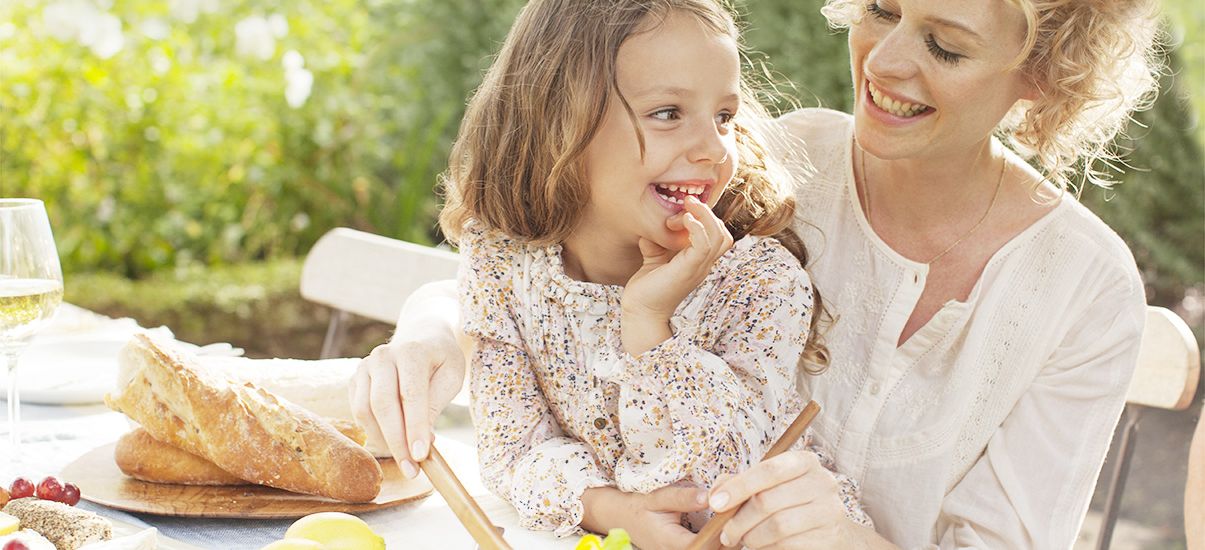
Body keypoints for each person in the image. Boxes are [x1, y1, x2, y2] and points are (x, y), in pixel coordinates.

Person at [351, 0, 1164, 548]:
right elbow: (565, 259)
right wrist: (433, 329)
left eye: (944, 45)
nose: (882, 60)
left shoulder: (1081, 290)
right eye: (880, 6)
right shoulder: (780, 163)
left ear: (1044, 77)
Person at [368, 0, 870, 543]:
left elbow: (721, 478)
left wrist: (650, 327)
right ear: (559, 121)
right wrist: (610, 509)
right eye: (668, 113)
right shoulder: (506, 264)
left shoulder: (757, 282)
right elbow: (512, 452)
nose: (712, 150)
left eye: (724, 116)